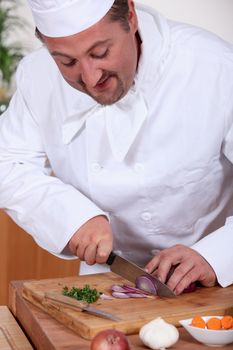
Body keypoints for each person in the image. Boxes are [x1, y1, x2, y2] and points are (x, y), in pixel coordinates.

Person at [0, 0, 233, 295]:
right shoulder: (37, 75)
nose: (90, 78)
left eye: (100, 53)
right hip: (105, 289)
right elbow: (7, 163)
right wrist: (71, 216)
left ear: (131, 16)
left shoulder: (216, 67)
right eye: (66, 62)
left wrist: (218, 255)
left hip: (214, 287)